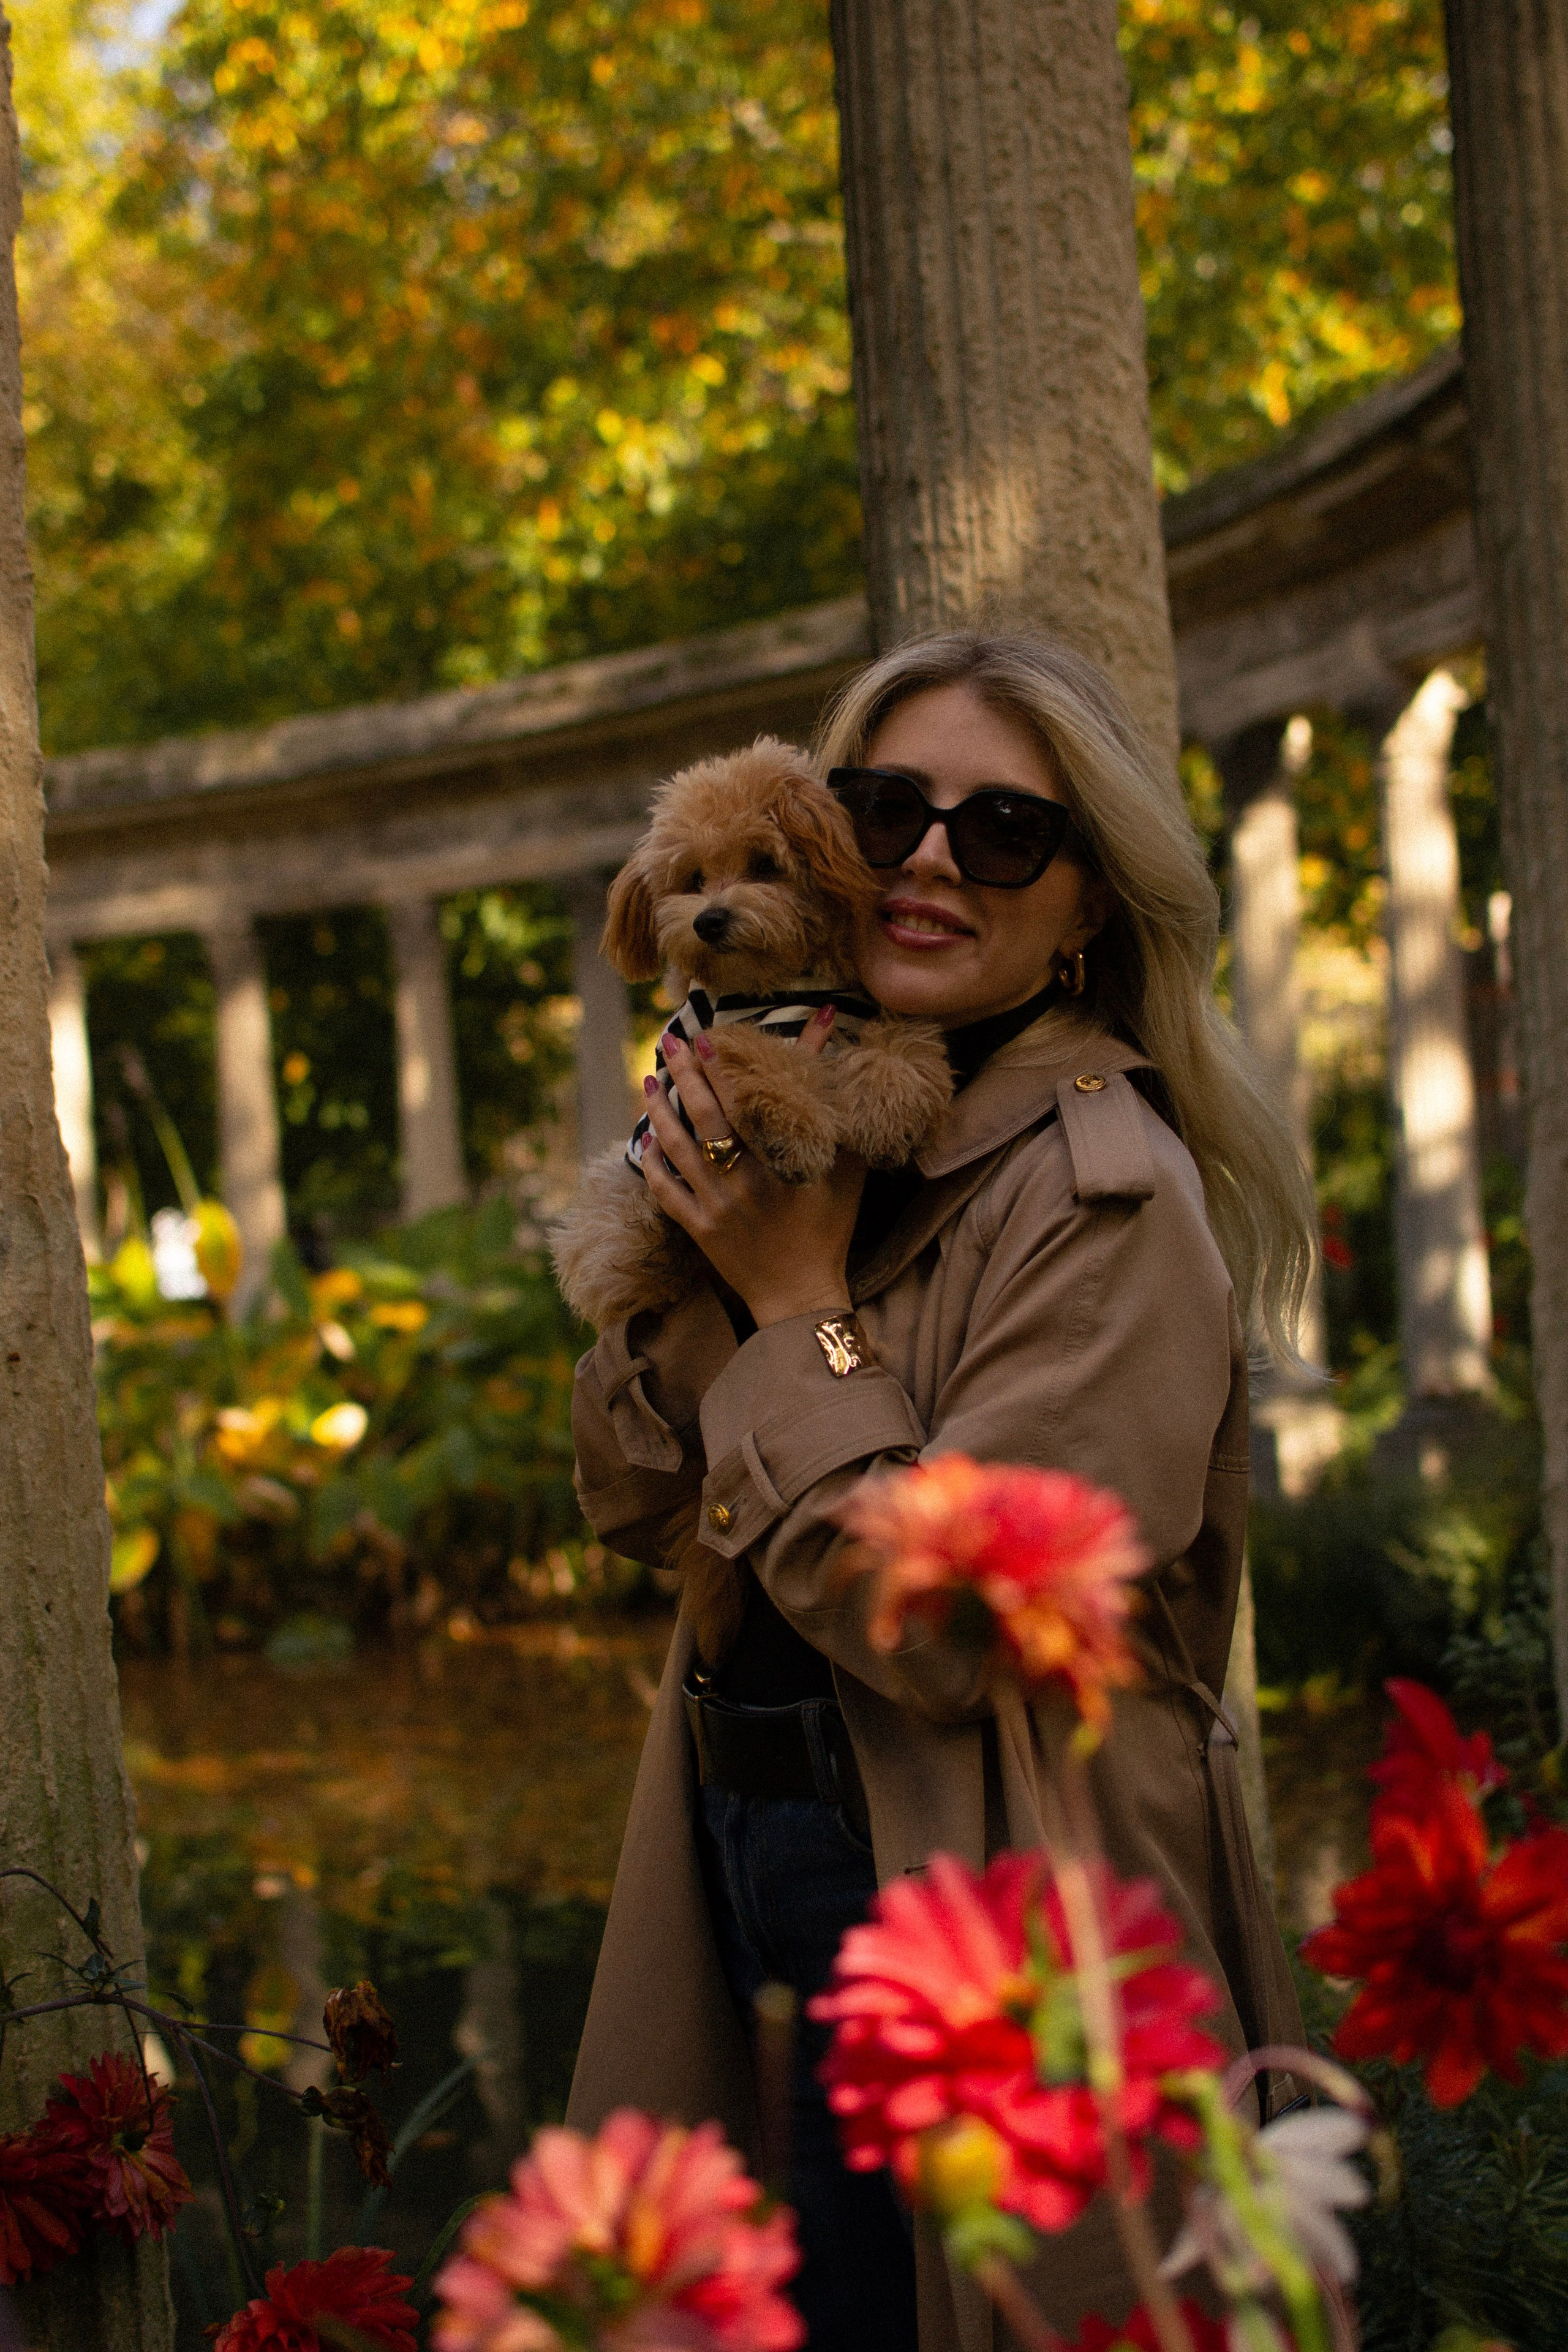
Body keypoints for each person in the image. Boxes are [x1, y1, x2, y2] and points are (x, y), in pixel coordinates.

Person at [564, 631, 1316, 2352]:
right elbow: (626, 1493)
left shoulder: (1104, 1202)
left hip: (975, 1910)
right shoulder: (834, 1132)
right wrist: (689, 1276)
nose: (922, 859)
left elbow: (963, 1630)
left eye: (1001, 836)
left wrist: (793, 1311)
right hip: (751, 1835)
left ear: (1088, 910)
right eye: (884, 808)